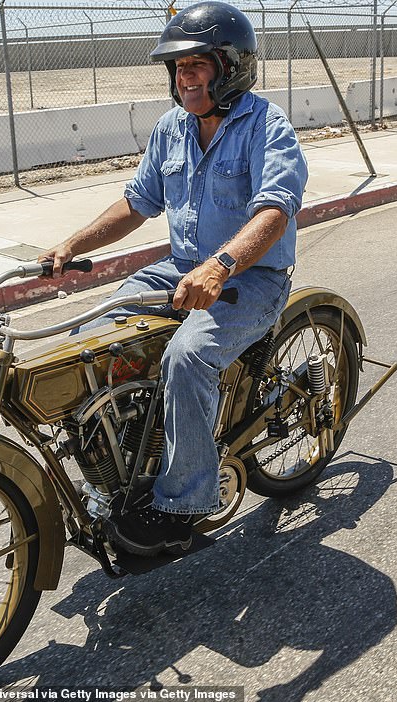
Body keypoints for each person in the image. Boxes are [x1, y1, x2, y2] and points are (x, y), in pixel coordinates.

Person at [40, 1, 308, 556]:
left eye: (197, 65)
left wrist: (221, 265)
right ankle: (113, 469)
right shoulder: (171, 129)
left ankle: (185, 503)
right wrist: (71, 244)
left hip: (250, 278)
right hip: (183, 269)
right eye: (178, 68)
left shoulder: (267, 126)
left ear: (231, 66)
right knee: (92, 340)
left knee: (187, 357)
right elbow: (137, 204)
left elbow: (274, 211)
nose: (184, 78)